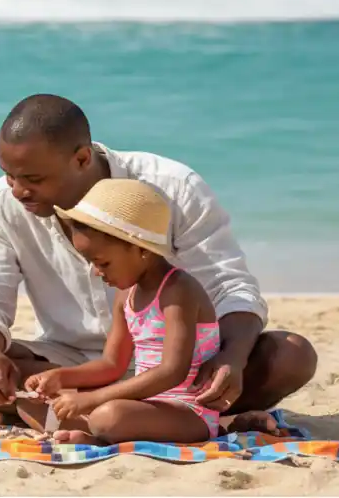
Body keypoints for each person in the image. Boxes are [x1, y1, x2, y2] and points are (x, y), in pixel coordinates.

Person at [0, 94, 317, 429]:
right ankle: (120, 413)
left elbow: (229, 286)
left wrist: (232, 358)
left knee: (291, 356)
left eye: (33, 178)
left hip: (184, 369)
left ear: (81, 158)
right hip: (74, 362)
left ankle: (127, 414)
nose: (17, 190)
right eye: (8, 174)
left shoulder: (172, 186)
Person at [25, 177, 223, 444]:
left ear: (140, 249)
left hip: (188, 411)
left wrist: (91, 399)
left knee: (109, 416)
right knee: (31, 405)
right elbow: (112, 364)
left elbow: (172, 371)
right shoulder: (126, 294)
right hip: (144, 404)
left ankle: (96, 434)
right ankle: (94, 433)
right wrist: (59, 377)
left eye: (103, 262)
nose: (96, 272)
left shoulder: (179, 290)